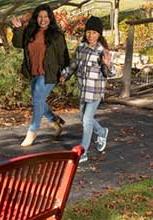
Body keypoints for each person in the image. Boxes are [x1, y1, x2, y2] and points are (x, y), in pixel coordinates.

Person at [10, 4, 70, 147]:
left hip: (49, 74)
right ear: (36, 18)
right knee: (39, 101)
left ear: (50, 18)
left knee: (37, 100)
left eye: (46, 17)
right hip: (34, 72)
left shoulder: (56, 35)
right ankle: (54, 120)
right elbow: (17, 44)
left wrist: (65, 73)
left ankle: (32, 131)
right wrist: (18, 29)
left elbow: (63, 56)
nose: (43, 20)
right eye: (40, 17)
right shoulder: (30, 32)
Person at [59, 16, 116, 163]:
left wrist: (108, 65)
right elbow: (74, 65)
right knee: (84, 118)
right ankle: (102, 132)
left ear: (99, 35)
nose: (91, 35)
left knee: (87, 120)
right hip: (83, 90)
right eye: (89, 32)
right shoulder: (81, 48)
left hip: (95, 92)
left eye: (94, 33)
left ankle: (83, 152)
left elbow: (110, 73)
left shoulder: (102, 52)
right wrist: (65, 75)